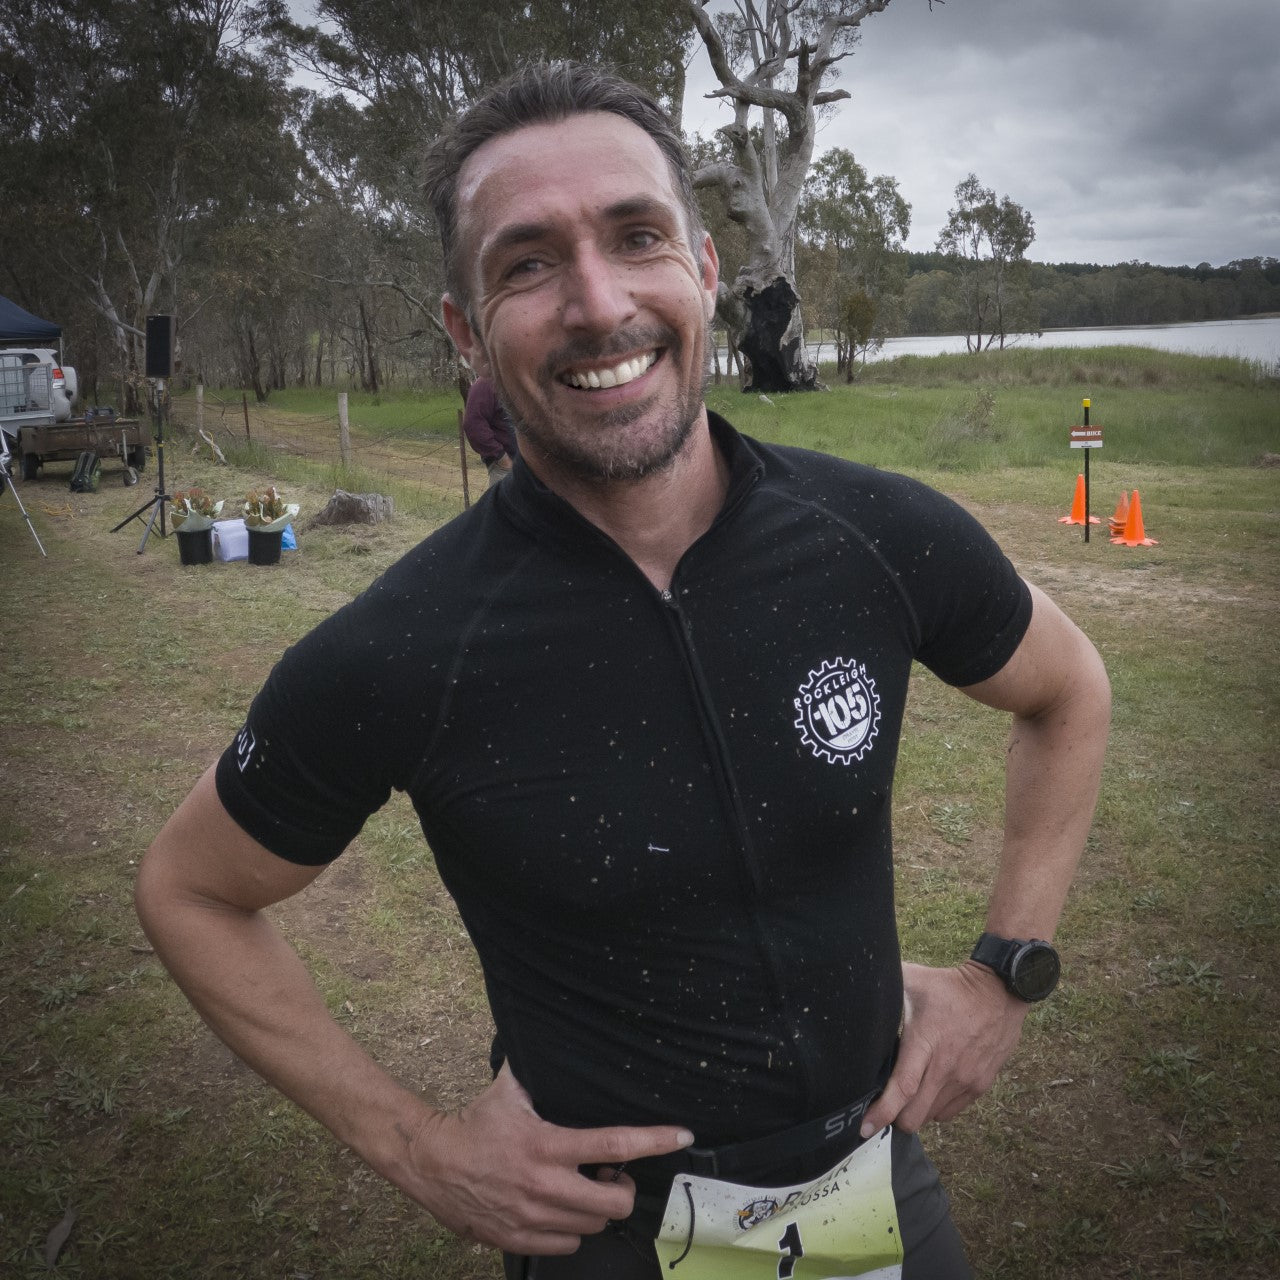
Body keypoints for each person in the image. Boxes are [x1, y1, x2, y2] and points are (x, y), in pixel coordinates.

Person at [135, 62, 1110, 1280]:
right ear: (463, 331)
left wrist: (1003, 973)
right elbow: (190, 888)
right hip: (606, 1234)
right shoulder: (402, 646)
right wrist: (420, 1149)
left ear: (704, 271)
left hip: (878, 1180)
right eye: (526, 262)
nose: (598, 305)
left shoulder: (878, 536)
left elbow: (1067, 691)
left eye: (636, 236)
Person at [462, 372, 517, 487]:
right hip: (507, 471)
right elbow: (473, 424)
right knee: (507, 505)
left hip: (532, 471)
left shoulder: (523, 379)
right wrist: (501, 456)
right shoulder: (487, 383)